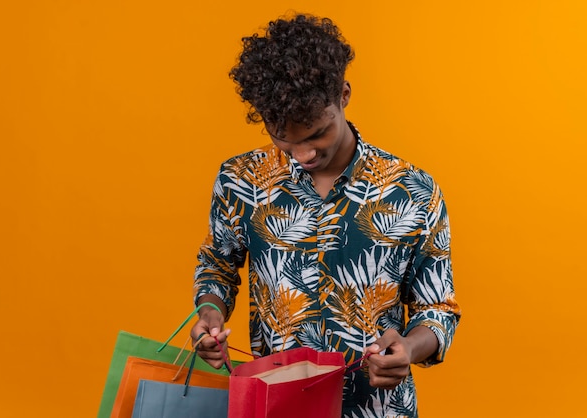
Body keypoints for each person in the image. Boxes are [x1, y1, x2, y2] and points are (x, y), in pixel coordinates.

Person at [190, 13, 461, 417]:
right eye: (283, 136)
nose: (303, 154)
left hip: (378, 409)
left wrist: (410, 347)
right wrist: (208, 315)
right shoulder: (240, 180)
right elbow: (218, 266)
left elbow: (438, 308)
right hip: (274, 407)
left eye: (317, 132)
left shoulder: (414, 191)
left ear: (344, 95)